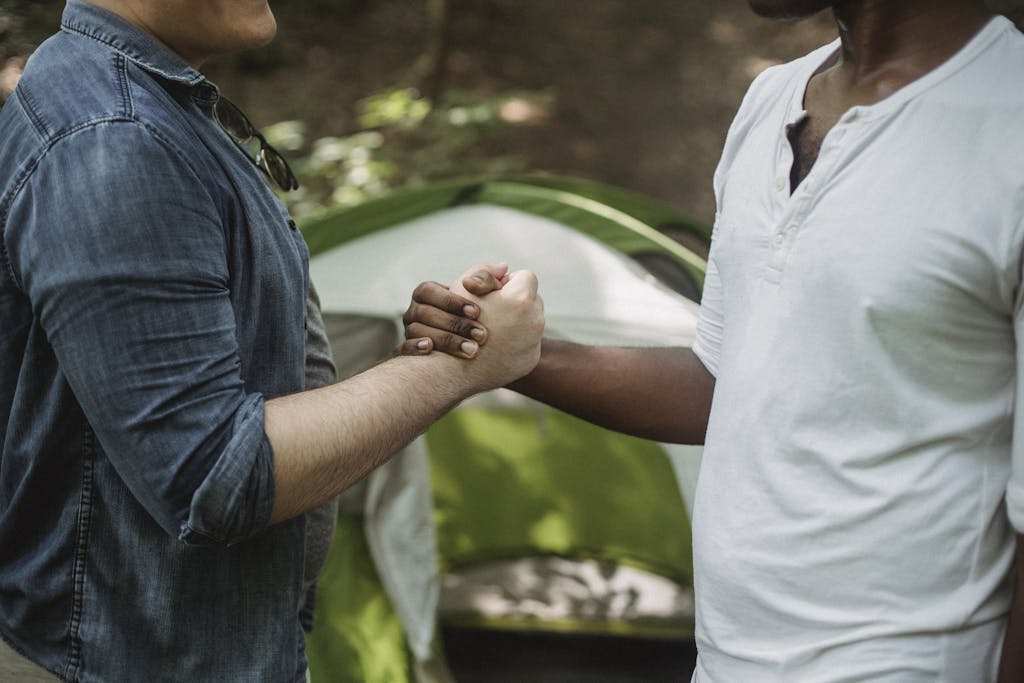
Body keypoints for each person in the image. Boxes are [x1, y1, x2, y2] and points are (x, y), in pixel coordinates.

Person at [401, 0, 1024, 680]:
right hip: (724, 659)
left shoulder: (1007, 125)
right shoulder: (772, 100)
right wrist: (520, 356)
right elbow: (721, 382)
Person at [0, 1, 544, 681]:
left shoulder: (146, 104)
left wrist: (421, 358)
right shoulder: (116, 136)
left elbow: (225, 398)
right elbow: (210, 475)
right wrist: (462, 370)